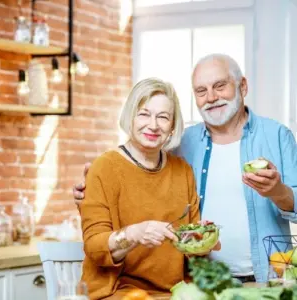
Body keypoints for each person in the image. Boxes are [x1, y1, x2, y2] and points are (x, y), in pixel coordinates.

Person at [74, 53, 297, 284]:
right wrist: (90, 199)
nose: (211, 97)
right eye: (201, 91)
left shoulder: (277, 136)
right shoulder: (184, 144)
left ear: (243, 86)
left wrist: (277, 191)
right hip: (203, 281)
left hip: (267, 278)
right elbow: (134, 182)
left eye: (220, 86)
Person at [79, 77, 219, 300]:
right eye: (144, 114)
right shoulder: (104, 167)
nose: (153, 125)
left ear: (172, 126)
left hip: (175, 293)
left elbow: (192, 255)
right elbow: (95, 248)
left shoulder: (182, 171)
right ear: (130, 117)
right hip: (118, 293)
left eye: (163, 117)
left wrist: (200, 240)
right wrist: (135, 233)